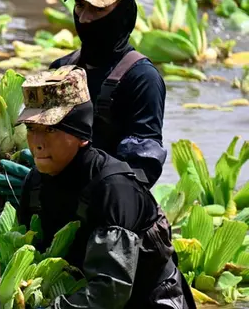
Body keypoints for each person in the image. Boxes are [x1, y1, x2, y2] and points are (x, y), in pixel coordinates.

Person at [12, 66, 195, 308]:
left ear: (80, 135)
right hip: (79, 296)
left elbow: (110, 291)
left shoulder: (114, 188)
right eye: (31, 128)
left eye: (51, 129)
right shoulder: (35, 183)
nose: (37, 143)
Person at [0, 0, 166, 202]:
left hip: (108, 206)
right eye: (79, 5)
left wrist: (57, 188)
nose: (84, 19)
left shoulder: (141, 78)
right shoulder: (60, 69)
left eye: (97, 9)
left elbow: (139, 173)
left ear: (125, 13)